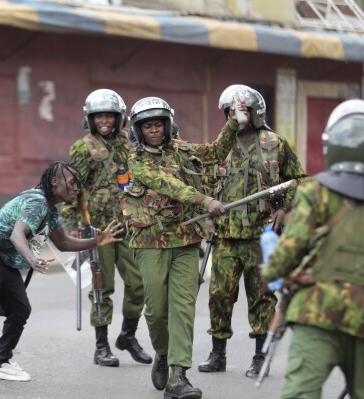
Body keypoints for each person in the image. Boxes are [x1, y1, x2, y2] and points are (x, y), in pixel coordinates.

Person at [260, 99, 364, 398]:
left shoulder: (315, 194)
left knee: (301, 390)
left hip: (314, 316)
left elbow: (283, 261)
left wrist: (272, 268)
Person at [0, 161, 124, 381]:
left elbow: (63, 242)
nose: (76, 188)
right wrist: (32, 258)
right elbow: (17, 234)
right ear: (55, 182)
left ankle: (0, 362)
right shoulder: (36, 202)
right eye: (72, 182)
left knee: (20, 308)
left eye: (77, 184)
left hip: (4, 258)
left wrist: (96, 240)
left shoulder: (50, 211)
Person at [120, 96, 243, 399]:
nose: (154, 130)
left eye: (158, 124)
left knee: (183, 308)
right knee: (157, 311)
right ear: (138, 129)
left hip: (187, 240)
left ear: (168, 124)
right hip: (150, 243)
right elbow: (168, 184)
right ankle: (162, 352)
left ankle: (178, 376)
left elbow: (215, 153)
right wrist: (205, 201)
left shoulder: (183, 150)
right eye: (147, 126)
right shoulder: (137, 160)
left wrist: (232, 122)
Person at [198, 84, 306, 378]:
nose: (236, 116)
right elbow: (203, 186)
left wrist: (285, 209)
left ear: (255, 112)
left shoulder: (275, 143)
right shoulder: (220, 146)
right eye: (231, 112)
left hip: (262, 233)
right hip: (225, 236)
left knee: (262, 296)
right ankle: (217, 353)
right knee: (219, 294)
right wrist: (205, 214)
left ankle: (260, 356)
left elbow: (299, 181)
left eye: (242, 111)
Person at [61, 89, 151, 367]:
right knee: (102, 287)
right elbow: (70, 188)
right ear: (90, 118)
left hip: (128, 225)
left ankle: (127, 335)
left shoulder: (131, 142)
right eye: (98, 116)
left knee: (139, 285)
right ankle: (101, 347)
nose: (104, 121)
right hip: (96, 228)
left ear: (118, 118)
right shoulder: (83, 148)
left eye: (109, 116)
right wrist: (72, 224)